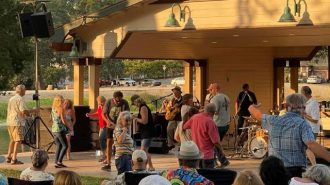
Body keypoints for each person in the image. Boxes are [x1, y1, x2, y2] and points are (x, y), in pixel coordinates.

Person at [249, 93, 330, 177]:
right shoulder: (303, 124)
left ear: (286, 107)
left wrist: (253, 106)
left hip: (274, 170)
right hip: (294, 171)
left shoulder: (272, 120)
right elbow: (311, 144)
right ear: (303, 108)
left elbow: (255, 113)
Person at [183, 103, 229, 169]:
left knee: (200, 176)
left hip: (196, 154)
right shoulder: (210, 122)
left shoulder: (195, 117)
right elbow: (216, 142)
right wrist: (222, 152)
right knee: (208, 176)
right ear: (214, 112)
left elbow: (185, 126)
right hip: (207, 156)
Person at [6, 85, 38, 165]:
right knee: (18, 140)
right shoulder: (20, 99)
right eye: (25, 90)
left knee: (12, 140)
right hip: (17, 122)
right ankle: (14, 159)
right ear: (21, 91)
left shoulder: (11, 99)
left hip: (10, 122)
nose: (25, 91)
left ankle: (9, 157)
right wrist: (34, 110)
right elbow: (23, 111)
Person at [102, 91, 130, 171]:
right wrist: (107, 121)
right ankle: (108, 163)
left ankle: (123, 162)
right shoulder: (108, 102)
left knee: (121, 143)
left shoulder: (125, 103)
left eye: (120, 100)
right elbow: (103, 114)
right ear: (113, 98)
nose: (118, 102)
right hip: (110, 125)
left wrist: (123, 125)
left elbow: (127, 115)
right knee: (109, 143)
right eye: (117, 101)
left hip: (120, 126)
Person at [208, 83, 230, 167]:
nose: (210, 92)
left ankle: (220, 161)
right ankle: (221, 161)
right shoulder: (226, 97)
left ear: (215, 89)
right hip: (226, 124)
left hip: (217, 124)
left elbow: (214, 111)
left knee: (213, 144)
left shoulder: (215, 99)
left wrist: (205, 110)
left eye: (210, 90)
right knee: (216, 143)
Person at [131, 94, 155, 171]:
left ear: (136, 101)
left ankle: (148, 166)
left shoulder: (143, 107)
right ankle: (150, 166)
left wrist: (135, 118)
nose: (134, 105)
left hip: (147, 132)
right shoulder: (142, 107)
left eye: (134, 103)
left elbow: (144, 121)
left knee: (143, 151)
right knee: (144, 150)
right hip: (145, 132)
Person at [301, 86, 319, 166]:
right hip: (306, 128)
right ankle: (311, 164)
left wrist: (304, 115)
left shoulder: (313, 103)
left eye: (301, 92)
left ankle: (314, 165)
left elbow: (315, 120)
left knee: (308, 148)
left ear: (305, 93)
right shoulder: (306, 102)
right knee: (306, 148)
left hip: (312, 129)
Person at [86, 96, 107, 163]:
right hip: (101, 126)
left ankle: (105, 156)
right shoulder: (100, 107)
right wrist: (90, 115)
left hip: (106, 126)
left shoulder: (106, 107)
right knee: (102, 141)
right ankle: (104, 156)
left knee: (102, 140)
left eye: (100, 102)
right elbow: (98, 113)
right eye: (98, 102)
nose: (99, 103)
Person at [51, 95, 68, 168]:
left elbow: (53, 119)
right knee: (65, 145)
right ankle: (59, 161)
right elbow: (63, 120)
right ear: (60, 101)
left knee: (58, 145)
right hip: (60, 129)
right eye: (62, 100)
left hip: (54, 129)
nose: (64, 101)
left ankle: (56, 161)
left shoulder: (53, 108)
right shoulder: (60, 108)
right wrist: (68, 127)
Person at [166, 86, 183, 150]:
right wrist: (170, 108)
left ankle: (180, 145)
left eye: (175, 92)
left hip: (180, 118)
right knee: (169, 129)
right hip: (172, 118)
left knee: (179, 132)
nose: (174, 93)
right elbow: (168, 107)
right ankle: (170, 144)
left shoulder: (183, 99)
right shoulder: (172, 99)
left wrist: (177, 107)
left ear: (179, 92)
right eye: (173, 92)